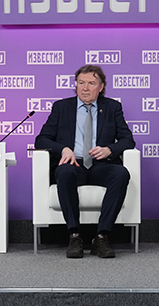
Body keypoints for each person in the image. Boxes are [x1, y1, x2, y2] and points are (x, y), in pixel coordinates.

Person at [34, 64, 135, 259]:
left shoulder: (112, 107)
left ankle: (102, 237)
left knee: (121, 173)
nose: (85, 88)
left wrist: (109, 150)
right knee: (64, 172)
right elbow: (42, 139)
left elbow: (128, 140)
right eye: (81, 83)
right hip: (74, 165)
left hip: (101, 165)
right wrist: (63, 149)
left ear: (101, 87)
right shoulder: (62, 107)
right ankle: (74, 236)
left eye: (91, 83)